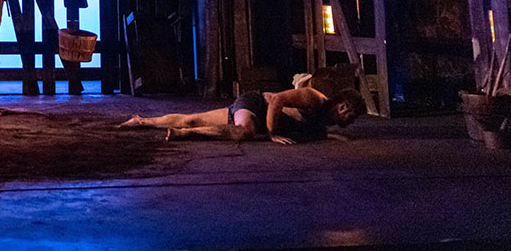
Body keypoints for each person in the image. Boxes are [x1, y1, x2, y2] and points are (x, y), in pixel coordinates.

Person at [118, 87, 366, 144]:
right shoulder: (314, 98)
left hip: (260, 116)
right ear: (338, 102)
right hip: (256, 103)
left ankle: (141, 120)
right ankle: (185, 135)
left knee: (192, 117)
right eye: (345, 107)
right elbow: (276, 99)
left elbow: (319, 132)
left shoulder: (322, 125)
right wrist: (273, 133)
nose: (344, 113)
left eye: (350, 114)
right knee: (245, 131)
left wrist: (334, 137)